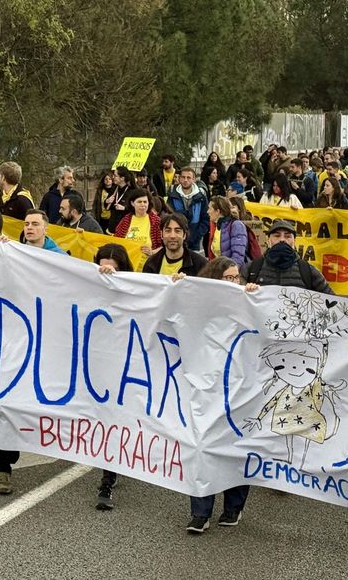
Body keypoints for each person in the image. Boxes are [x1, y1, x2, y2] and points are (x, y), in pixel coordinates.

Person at [185, 255, 259, 534]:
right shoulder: (200, 307)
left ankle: (233, 507)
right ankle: (200, 512)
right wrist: (178, 288)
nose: (232, 283)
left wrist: (255, 297)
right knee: (201, 448)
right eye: (226, 278)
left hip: (240, 389)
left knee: (236, 448)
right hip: (206, 387)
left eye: (236, 278)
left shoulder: (249, 304)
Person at [92, 243, 136, 510]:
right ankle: (107, 471)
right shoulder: (88, 286)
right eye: (102, 263)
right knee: (102, 416)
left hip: (126, 364)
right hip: (96, 363)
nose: (107, 268)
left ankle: (111, 474)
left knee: (118, 416)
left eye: (113, 264)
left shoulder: (134, 289)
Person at [242, 220, 333, 293]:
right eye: (277, 236)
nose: (282, 240)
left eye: (288, 236)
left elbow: (331, 301)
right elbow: (234, 297)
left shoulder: (308, 271)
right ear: (268, 241)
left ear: (295, 241)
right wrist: (245, 291)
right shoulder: (252, 268)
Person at [141, 213, 208, 279]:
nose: (172, 236)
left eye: (177, 231)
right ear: (161, 235)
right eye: (168, 231)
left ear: (184, 235)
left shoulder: (200, 264)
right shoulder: (151, 263)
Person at [168, 167, 210, 252]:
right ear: (179, 178)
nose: (185, 180)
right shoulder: (173, 195)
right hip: (176, 241)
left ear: (194, 179)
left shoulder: (201, 196)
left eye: (188, 177)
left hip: (195, 242)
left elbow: (206, 219)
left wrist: (197, 235)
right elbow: (168, 216)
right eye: (183, 177)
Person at [114, 188, 162, 258]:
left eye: (145, 202)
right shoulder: (125, 220)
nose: (143, 205)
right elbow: (116, 242)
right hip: (128, 265)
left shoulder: (156, 221)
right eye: (139, 202)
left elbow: (164, 245)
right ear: (132, 203)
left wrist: (152, 252)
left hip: (148, 265)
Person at [205, 196, 249, 266]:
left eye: (209, 209)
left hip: (231, 273)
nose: (207, 212)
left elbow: (238, 256)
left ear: (217, 211)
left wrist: (229, 274)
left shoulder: (237, 225)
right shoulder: (216, 226)